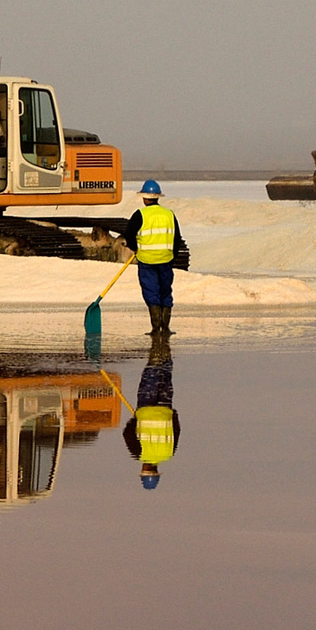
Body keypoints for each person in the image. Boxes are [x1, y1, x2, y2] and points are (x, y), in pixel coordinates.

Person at [122, 179, 186, 335]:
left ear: (144, 197)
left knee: (151, 291)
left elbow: (129, 236)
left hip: (146, 260)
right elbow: (177, 238)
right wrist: (172, 256)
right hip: (166, 259)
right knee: (165, 291)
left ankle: (156, 328)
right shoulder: (169, 214)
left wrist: (136, 249)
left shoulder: (139, 215)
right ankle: (166, 328)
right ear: (158, 197)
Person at [122, 334, 179, 489]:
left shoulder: (169, 453)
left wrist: (172, 413)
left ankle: (164, 349)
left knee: (165, 375)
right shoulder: (139, 453)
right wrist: (135, 419)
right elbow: (127, 433)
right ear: (144, 469)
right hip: (145, 408)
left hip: (165, 407)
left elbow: (176, 430)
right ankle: (157, 346)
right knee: (150, 374)